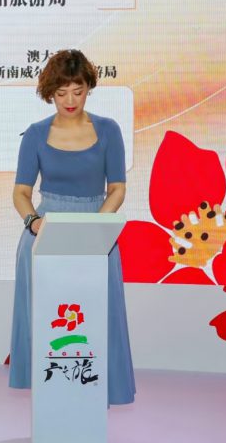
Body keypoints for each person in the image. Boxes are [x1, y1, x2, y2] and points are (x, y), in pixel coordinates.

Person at [8, 49, 135, 404]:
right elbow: (21, 192)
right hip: (45, 235)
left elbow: (117, 188)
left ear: (88, 88)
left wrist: (96, 228)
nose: (70, 100)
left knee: (97, 317)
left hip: (97, 234)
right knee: (47, 320)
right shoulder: (35, 134)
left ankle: (94, 397)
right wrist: (33, 222)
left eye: (77, 91)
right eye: (61, 92)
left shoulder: (108, 130)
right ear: (50, 92)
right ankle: (51, 397)